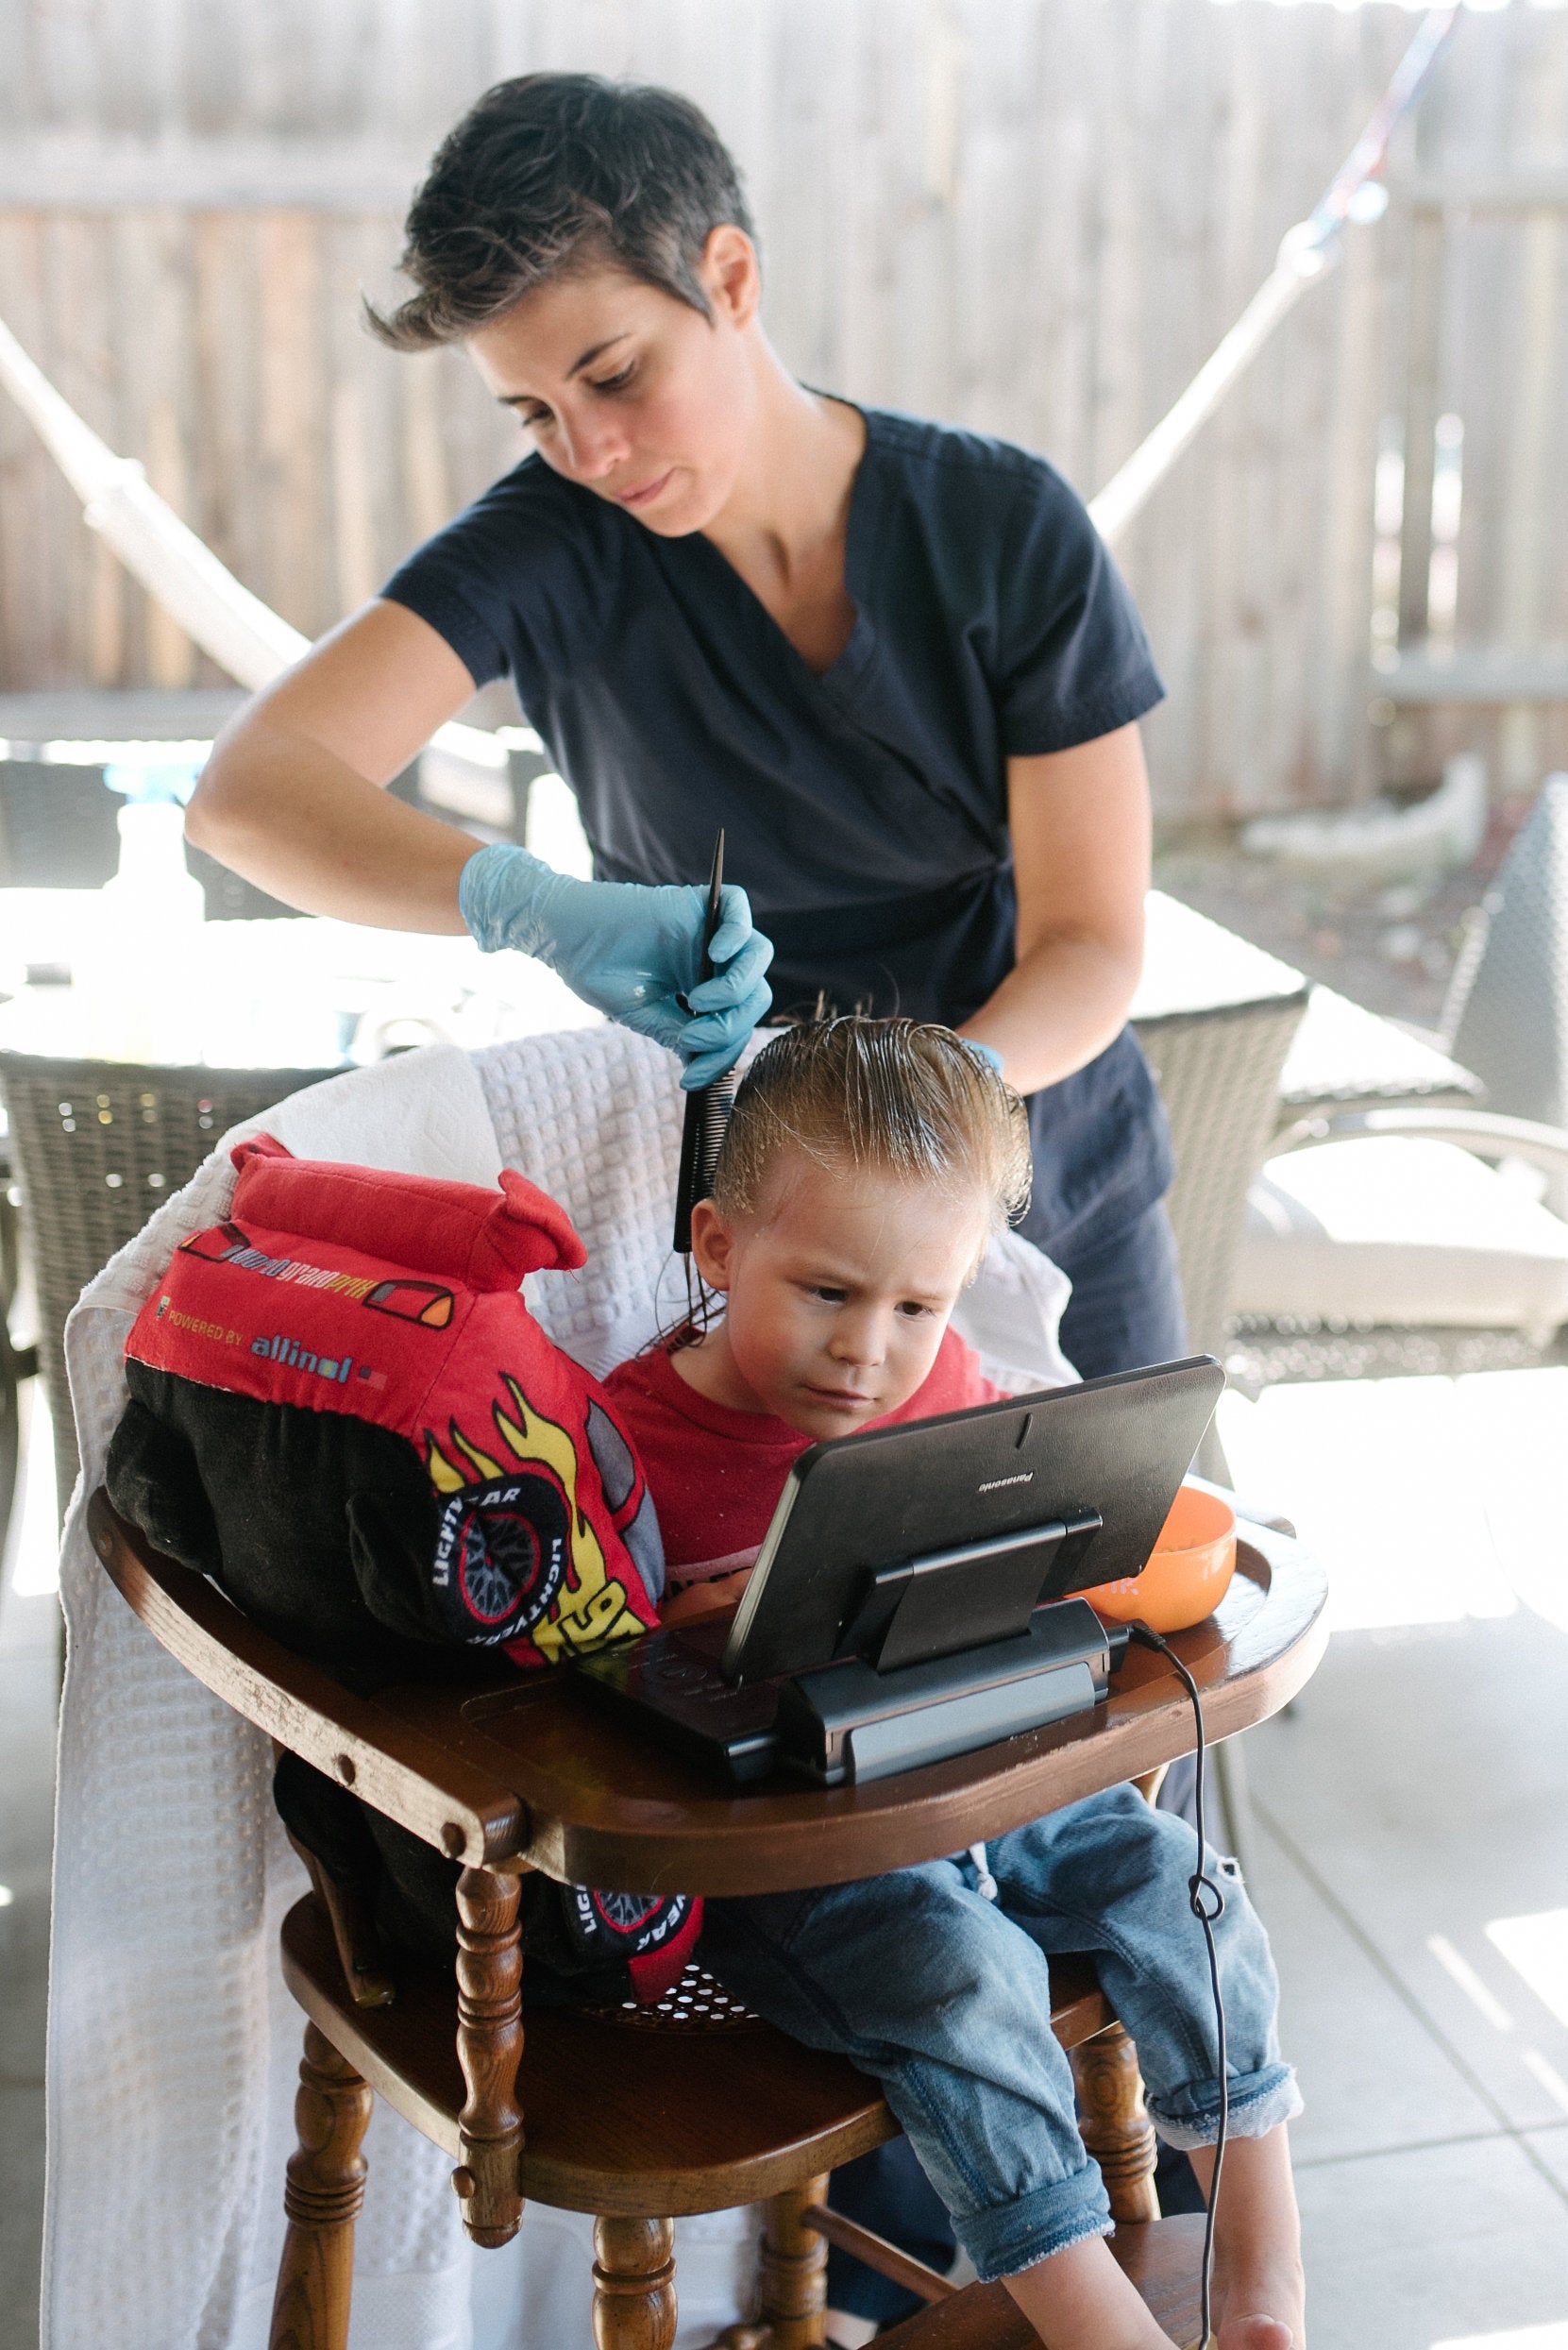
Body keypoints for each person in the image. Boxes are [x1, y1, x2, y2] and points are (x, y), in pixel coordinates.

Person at [182, 68, 1192, 2317]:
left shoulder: (999, 527)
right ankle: (891, 2255)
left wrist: (933, 1105)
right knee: (822, 1753)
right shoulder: (557, 550)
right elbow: (248, 796)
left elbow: (1101, 936)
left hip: (1035, 1167)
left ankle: (1119, 2233)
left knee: (1067, 1741)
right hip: (774, 1243)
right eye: (538, 411)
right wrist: (520, 898)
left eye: (615, 375)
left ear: (731, 277)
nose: (591, 447)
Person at [604, 1019, 1306, 2350]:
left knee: (1181, 1882)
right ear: (715, 1247)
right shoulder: (626, 1441)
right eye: (824, 1291)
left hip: (985, 1781)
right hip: (804, 1861)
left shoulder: (953, 1391)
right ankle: (1093, 2313)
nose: (868, 1348)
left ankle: (1262, 2261)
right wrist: (692, 1627)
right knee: (964, 1973)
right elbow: (582, 1684)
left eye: (916, 1306)